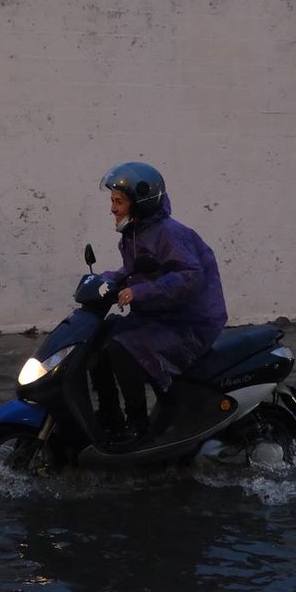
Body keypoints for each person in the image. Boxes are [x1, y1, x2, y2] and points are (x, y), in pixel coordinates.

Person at [91, 161, 228, 446]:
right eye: (112, 201)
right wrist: (103, 280)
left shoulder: (170, 233)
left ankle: (139, 425)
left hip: (188, 323)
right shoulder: (135, 234)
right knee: (97, 341)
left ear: (139, 204)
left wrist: (140, 292)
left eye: (119, 202)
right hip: (160, 316)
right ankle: (109, 416)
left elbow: (189, 276)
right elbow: (136, 271)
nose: (112, 209)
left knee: (122, 348)